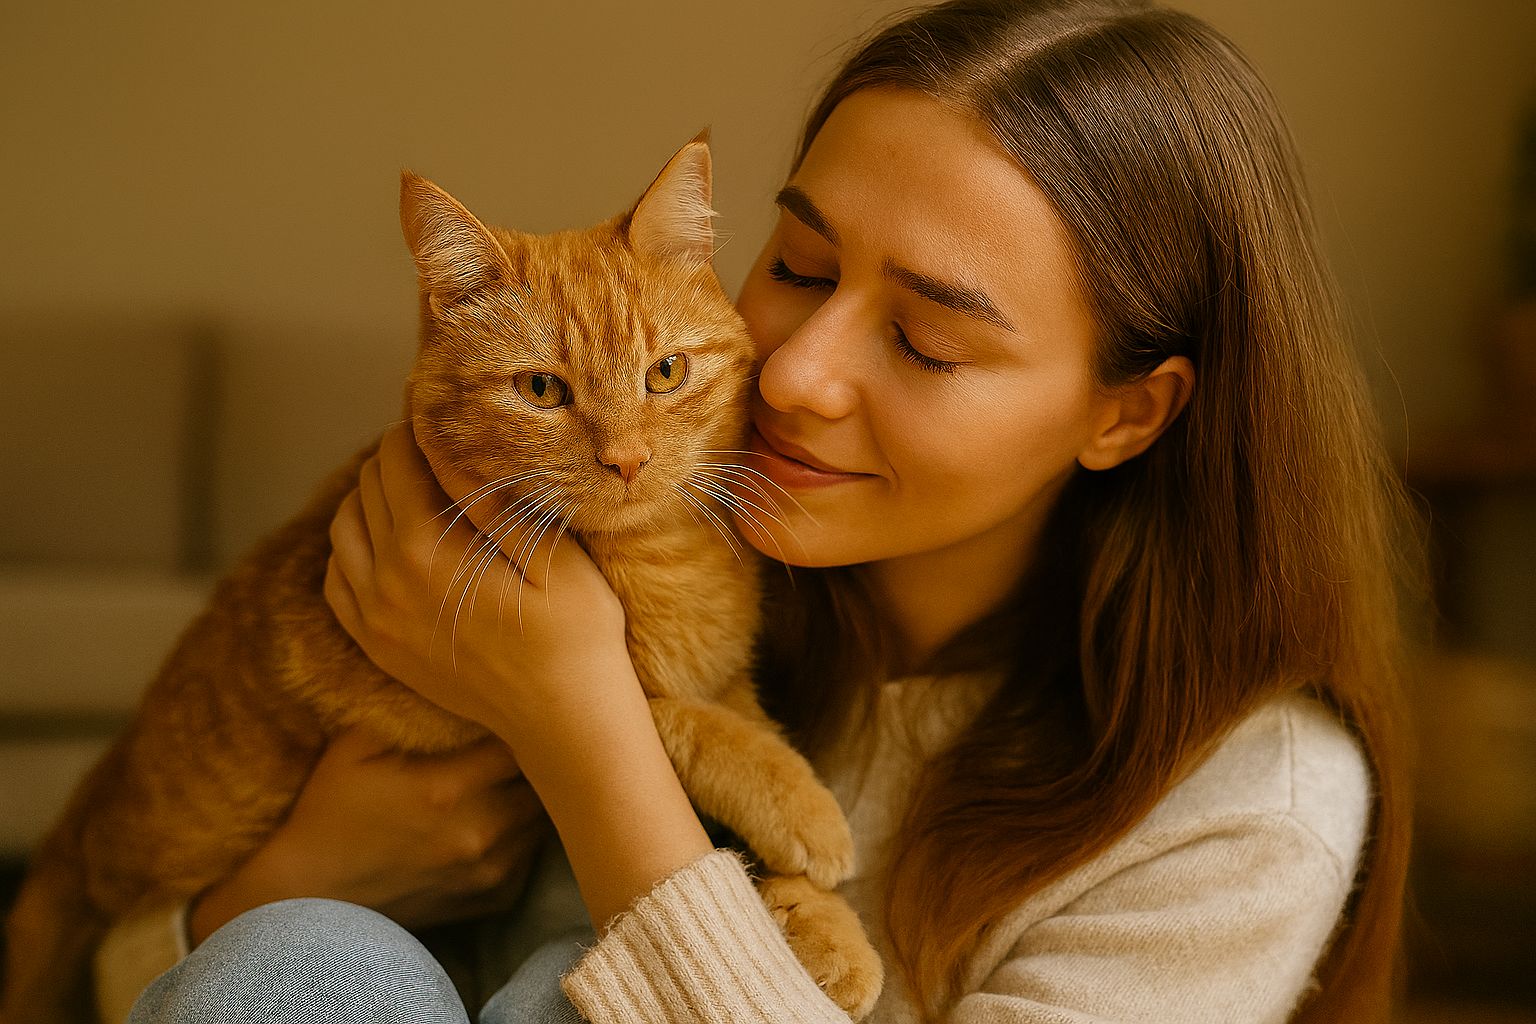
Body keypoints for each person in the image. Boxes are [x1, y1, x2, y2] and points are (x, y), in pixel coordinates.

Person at [111, 0, 1418, 1021]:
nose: (791, 374)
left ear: (1125, 413)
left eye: (925, 341)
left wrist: (579, 721)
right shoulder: (681, 516)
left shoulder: (1253, 806)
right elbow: (128, 981)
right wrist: (281, 894)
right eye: (795, 266)